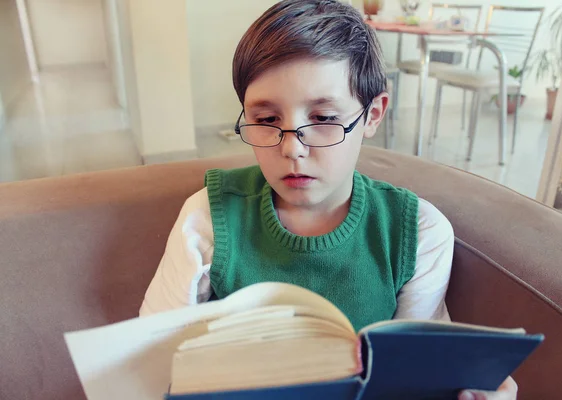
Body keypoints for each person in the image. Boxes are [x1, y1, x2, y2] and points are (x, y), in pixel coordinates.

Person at [139, 1, 516, 398]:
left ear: (372, 115)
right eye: (267, 121)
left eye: (322, 119)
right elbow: (145, 358)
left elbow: (417, 377)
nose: (292, 149)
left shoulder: (419, 232)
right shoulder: (208, 217)